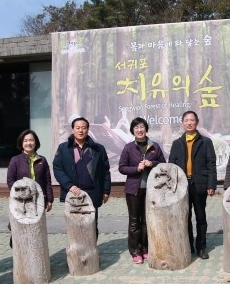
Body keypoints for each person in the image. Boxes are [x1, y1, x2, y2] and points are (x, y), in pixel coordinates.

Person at [168, 110, 217, 259]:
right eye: (186, 120)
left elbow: (211, 164)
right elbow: (171, 166)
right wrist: (172, 187)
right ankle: (188, 245)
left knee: (201, 217)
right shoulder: (177, 143)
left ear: (197, 122)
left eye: (192, 120)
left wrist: (211, 185)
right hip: (182, 185)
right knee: (185, 216)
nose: (189, 123)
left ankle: (201, 247)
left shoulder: (205, 142)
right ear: (182, 123)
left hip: (199, 184)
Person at [53, 116, 111, 239]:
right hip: (72, 192)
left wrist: (106, 190)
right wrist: (70, 186)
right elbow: (58, 169)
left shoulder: (98, 149)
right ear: (72, 130)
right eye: (78, 128)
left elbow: (105, 171)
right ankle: (76, 251)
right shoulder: (63, 148)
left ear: (88, 130)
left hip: (92, 192)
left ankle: (92, 250)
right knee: (74, 225)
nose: (80, 130)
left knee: (91, 224)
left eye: (83, 128)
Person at [118, 117, 166, 264]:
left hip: (152, 190)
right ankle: (135, 251)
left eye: (141, 127)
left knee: (147, 220)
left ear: (146, 129)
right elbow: (122, 167)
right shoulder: (128, 148)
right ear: (132, 131)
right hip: (133, 190)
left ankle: (145, 248)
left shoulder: (155, 146)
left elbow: (163, 164)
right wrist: (136, 169)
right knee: (134, 222)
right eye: (136, 128)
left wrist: (152, 163)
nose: (139, 130)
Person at [6, 129, 54, 247]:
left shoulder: (42, 160)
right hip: (21, 200)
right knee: (21, 226)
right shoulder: (15, 160)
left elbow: (47, 181)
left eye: (31, 140)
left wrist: (50, 199)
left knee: (37, 227)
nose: (28, 143)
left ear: (35, 142)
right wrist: (20, 194)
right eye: (25, 140)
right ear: (21, 143)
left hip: (39, 199)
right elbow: (10, 181)